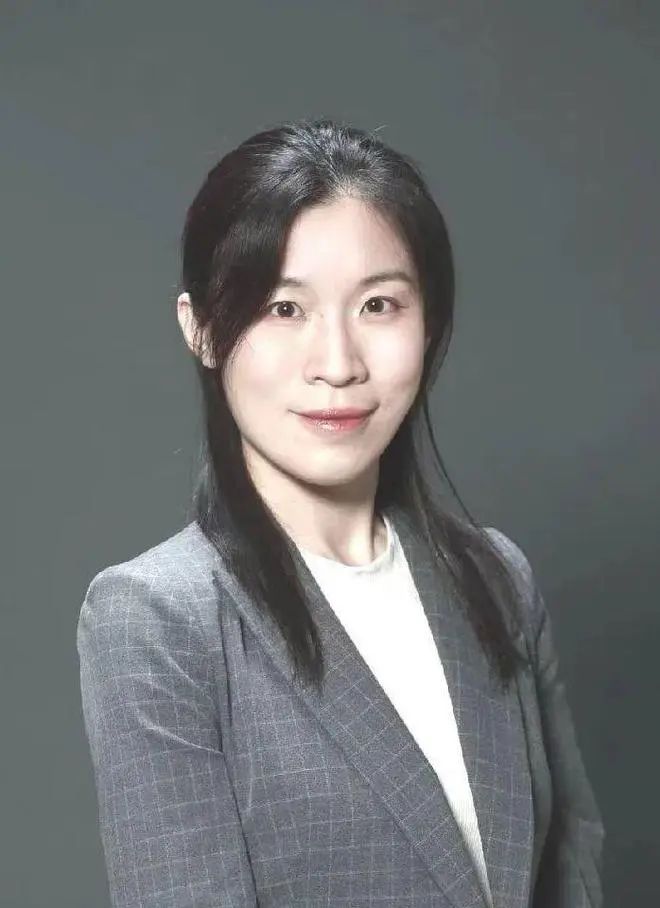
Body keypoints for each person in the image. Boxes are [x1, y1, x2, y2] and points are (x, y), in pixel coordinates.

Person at [76, 118, 604, 907]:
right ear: (202, 330)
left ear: (430, 323)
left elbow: (572, 865)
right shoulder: (159, 620)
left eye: (379, 305)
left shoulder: (496, 580)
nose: (337, 364)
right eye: (284, 309)